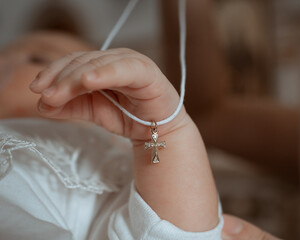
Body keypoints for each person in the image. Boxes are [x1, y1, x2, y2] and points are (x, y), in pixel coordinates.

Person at [0, 31, 279, 240]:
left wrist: (166, 129)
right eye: (39, 58)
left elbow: (174, 233)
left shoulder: (120, 177)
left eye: (37, 57)